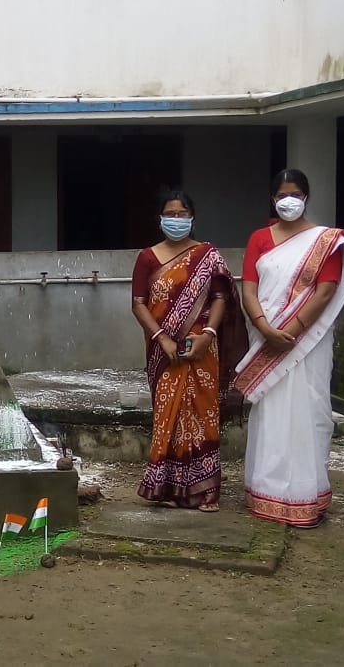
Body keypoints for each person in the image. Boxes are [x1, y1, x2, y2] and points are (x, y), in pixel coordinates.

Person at [236, 169, 344, 528]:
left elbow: (326, 290)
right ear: (273, 199)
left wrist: (291, 330)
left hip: (307, 341)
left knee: (307, 408)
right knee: (271, 411)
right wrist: (264, 328)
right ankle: (267, 491)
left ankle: (305, 494)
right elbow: (249, 287)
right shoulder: (259, 238)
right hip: (266, 336)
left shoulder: (325, 241)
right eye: (282, 194)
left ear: (306, 197)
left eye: (296, 194)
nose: (289, 200)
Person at [130, 190, 248, 511]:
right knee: (167, 415)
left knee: (203, 414)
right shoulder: (147, 258)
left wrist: (209, 334)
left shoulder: (207, 255)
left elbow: (221, 298)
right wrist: (162, 339)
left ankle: (205, 490)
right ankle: (167, 488)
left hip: (202, 348)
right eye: (170, 214)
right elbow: (138, 304)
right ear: (160, 218)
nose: (176, 219)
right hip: (163, 352)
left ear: (192, 219)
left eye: (182, 214)